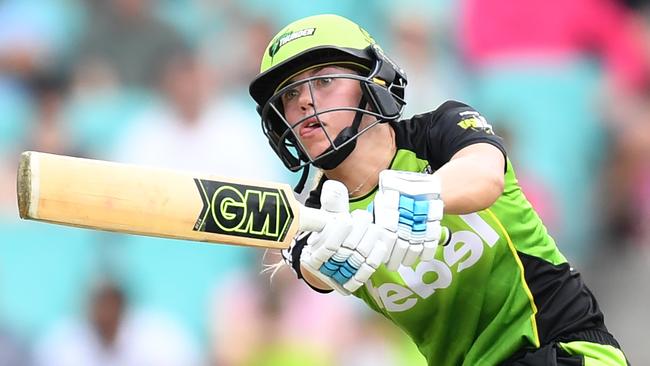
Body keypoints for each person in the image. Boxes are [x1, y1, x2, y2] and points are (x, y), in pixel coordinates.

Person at [248, 14, 629, 366]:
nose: (302, 101)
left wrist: (414, 195)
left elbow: (485, 175)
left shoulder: (440, 131)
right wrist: (316, 264)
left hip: (563, 348)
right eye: (288, 95)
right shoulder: (316, 217)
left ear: (372, 82)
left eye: (324, 80)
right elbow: (308, 269)